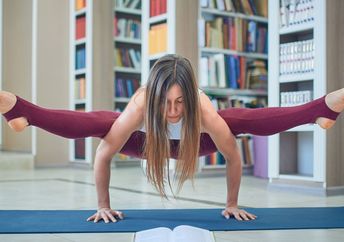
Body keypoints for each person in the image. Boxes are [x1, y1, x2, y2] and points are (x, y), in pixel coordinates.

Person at [0, 54, 343, 223]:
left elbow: (234, 156)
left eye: (181, 102)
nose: (174, 111)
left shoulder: (204, 108)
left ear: (191, 98)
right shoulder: (140, 104)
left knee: (237, 119)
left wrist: (232, 203)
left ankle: (321, 109)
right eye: (165, 103)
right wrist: (103, 206)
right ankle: (21, 111)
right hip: (146, 144)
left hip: (197, 143)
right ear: (153, 97)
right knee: (103, 121)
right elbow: (104, 155)